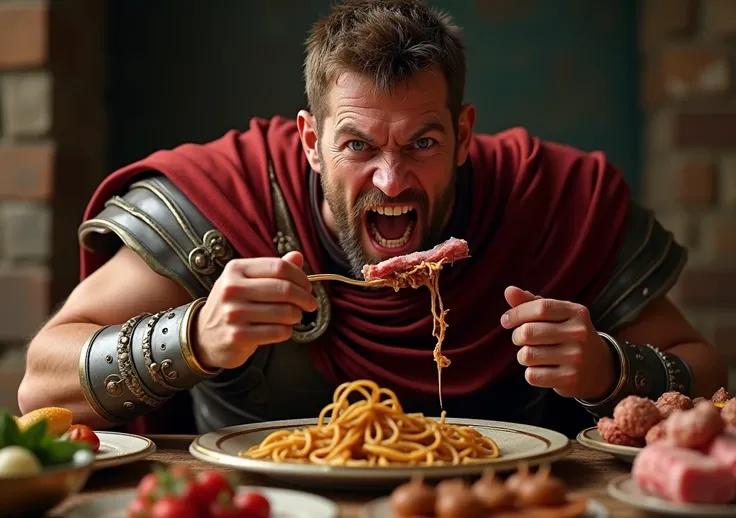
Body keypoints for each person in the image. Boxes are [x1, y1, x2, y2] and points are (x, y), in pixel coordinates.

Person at [19, 0, 725, 437]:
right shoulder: (224, 197)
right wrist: (195, 335)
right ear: (308, 141)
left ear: (465, 133)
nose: (392, 179)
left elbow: (706, 367)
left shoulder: (554, 200)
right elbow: (40, 384)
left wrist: (610, 367)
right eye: (357, 144)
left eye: (423, 142)